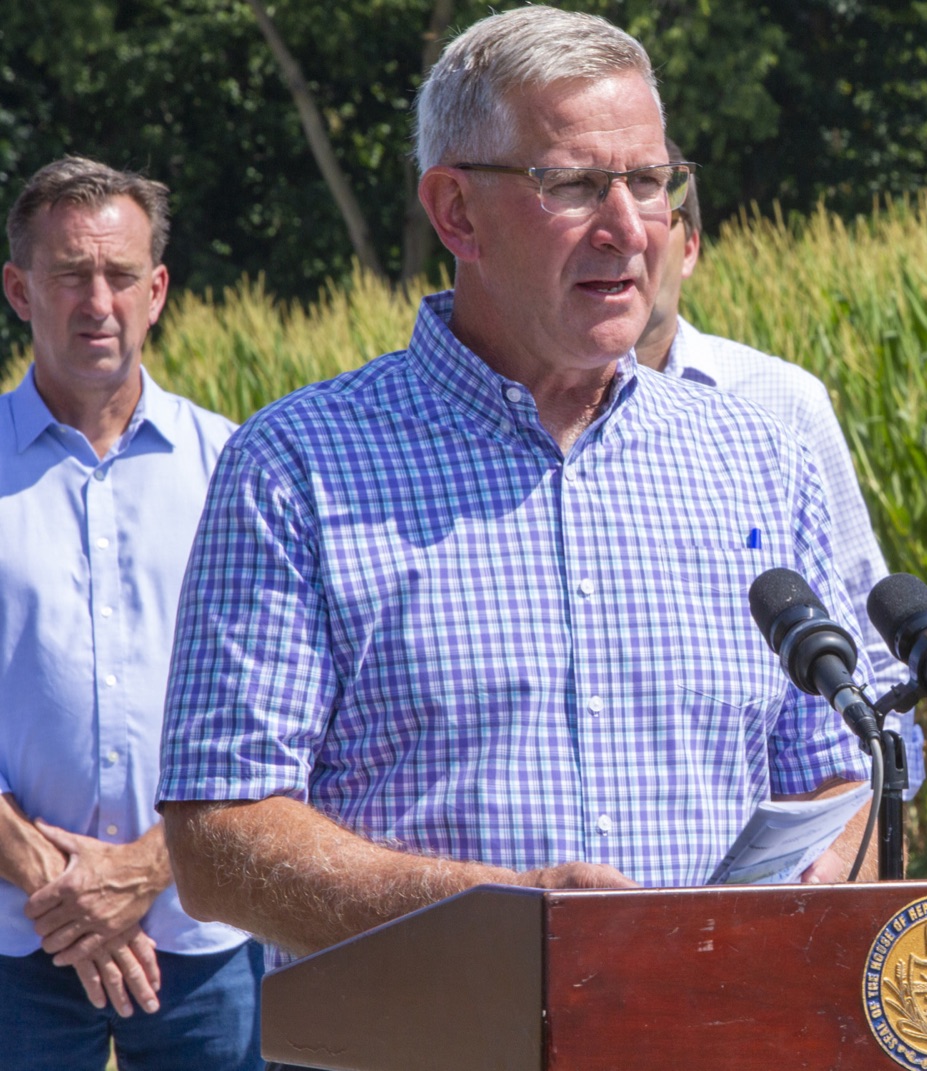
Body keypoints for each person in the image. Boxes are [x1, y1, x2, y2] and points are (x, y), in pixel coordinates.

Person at [157, 4, 874, 978]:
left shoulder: (761, 461)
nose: (629, 228)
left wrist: (824, 884)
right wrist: (500, 916)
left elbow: (839, 773)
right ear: (456, 212)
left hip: (714, 1028)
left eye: (650, 182)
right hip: (429, 1038)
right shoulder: (298, 467)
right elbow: (219, 837)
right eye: (573, 184)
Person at [0, 157, 261, 1069]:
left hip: (202, 934)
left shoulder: (236, 468)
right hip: (14, 938)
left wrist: (148, 866)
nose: (97, 302)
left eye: (120, 275)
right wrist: (60, 887)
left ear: (157, 291)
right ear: (19, 290)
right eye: (70, 274)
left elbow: (281, 709)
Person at [633, 137, 923, 797]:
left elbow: (868, 631)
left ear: (691, 247)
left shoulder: (781, 403)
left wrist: (881, 808)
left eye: (655, 217)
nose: (628, 242)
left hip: (780, 825)